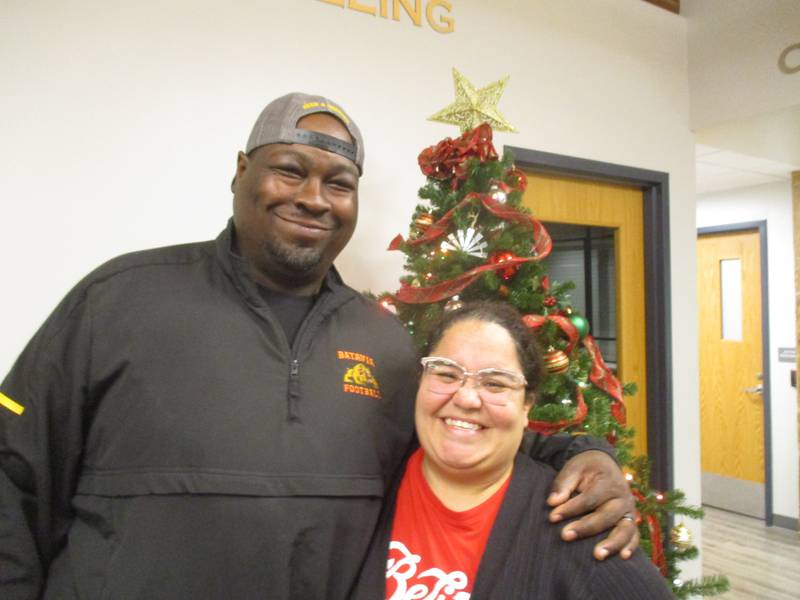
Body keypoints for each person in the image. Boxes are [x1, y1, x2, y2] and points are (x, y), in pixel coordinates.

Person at [0, 93, 637, 600]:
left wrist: (585, 453)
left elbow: (467, 427)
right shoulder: (118, 300)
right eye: (289, 170)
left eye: (339, 183)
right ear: (241, 171)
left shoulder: (382, 341)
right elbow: (13, 474)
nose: (313, 198)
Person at [353, 301, 673, 599]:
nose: (466, 398)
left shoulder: (576, 522)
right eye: (446, 373)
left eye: (495, 383)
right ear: (421, 382)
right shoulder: (370, 480)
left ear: (526, 407)